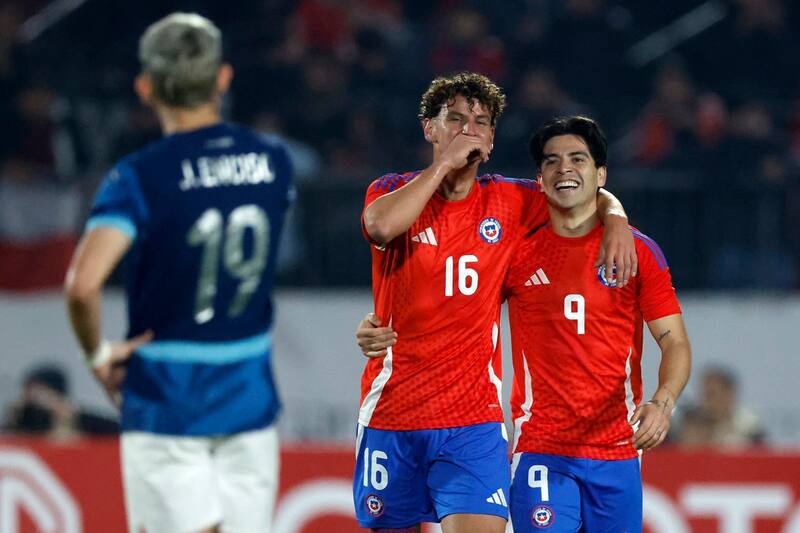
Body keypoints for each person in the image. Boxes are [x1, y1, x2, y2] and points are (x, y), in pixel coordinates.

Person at [353, 74, 636, 533]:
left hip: (472, 422)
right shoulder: (390, 188)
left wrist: (616, 217)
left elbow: (579, 190)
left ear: (490, 141)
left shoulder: (511, 201)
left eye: (480, 123)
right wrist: (443, 166)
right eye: (455, 120)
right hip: (392, 412)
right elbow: (380, 227)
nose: (468, 131)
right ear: (429, 129)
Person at [64, 13, 293, 533]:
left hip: (167, 398)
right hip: (249, 396)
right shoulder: (274, 160)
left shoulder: (138, 177)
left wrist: (97, 356)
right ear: (222, 78)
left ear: (145, 87)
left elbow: (82, 285)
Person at [503, 116, 692, 531]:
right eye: (551, 161)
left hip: (617, 448)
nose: (564, 169)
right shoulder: (516, 253)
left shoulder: (638, 252)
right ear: (539, 178)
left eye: (578, 159)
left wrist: (662, 403)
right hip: (542, 446)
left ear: (600, 174)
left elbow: (674, 342)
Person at [4, 363, 119, 439]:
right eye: (28, 392)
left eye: (41, 393)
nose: (34, 399)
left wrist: (67, 421)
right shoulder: (24, 417)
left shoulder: (82, 419)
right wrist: (14, 418)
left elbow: (119, 433)